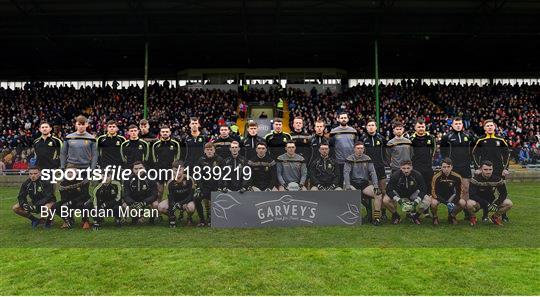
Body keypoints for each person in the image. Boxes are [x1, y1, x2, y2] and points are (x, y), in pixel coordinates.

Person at [471, 119, 511, 222]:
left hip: (498, 170)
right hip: (485, 170)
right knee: (486, 192)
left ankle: (503, 215)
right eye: (487, 125)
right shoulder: (480, 140)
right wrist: (477, 168)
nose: (489, 127)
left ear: (495, 127)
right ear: (484, 128)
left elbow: (507, 154)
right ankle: (485, 215)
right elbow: (474, 154)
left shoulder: (501, 140)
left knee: (501, 192)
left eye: (491, 125)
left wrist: (505, 168)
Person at [440, 117, 474, 213]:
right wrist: (447, 165)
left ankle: (467, 212)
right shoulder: (446, 137)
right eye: (456, 124)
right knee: (451, 191)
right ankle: (451, 212)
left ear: (462, 125)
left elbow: (472, 151)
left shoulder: (468, 136)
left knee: (466, 190)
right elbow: (443, 152)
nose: (458, 125)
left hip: (465, 167)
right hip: (453, 167)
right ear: (452, 125)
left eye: (460, 124)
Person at [343, 142, 383, 225]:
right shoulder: (349, 159)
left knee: (378, 194)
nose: (360, 150)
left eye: (361, 148)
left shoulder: (367, 158)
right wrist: (347, 186)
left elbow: (373, 172)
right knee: (352, 194)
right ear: (354, 149)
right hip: (353, 183)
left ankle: (376, 218)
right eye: (358, 148)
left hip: (365, 184)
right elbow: (346, 173)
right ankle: (355, 218)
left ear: (364, 149)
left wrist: (375, 186)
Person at [383, 160, 431, 225]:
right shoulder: (395, 175)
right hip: (399, 194)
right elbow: (389, 190)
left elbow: (423, 189)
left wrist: (416, 201)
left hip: (412, 193)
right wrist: (399, 200)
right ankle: (396, 216)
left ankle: (415, 217)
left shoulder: (417, 175)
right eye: (404, 168)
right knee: (385, 200)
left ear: (412, 167)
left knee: (428, 200)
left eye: (408, 168)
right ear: (400, 168)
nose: (406, 170)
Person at [466, 161, 513, 226]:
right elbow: (472, 195)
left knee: (509, 203)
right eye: (485, 169)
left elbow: (504, 193)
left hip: (492, 202)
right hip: (479, 202)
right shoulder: (475, 180)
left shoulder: (497, 180)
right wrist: (485, 203)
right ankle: (473, 217)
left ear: (492, 169)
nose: (488, 172)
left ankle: (495, 217)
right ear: (481, 169)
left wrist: (497, 203)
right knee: (469, 203)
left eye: (490, 169)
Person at [157, 160, 196, 228]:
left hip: (186, 201)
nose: (178, 172)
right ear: (172, 170)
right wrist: (172, 211)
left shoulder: (189, 179)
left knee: (191, 207)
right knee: (160, 207)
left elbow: (191, 196)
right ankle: (172, 217)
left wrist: (180, 203)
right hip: (175, 201)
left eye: (180, 170)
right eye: (175, 170)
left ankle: (189, 218)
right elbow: (170, 198)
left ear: (184, 169)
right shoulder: (170, 182)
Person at [194, 142, 224, 226]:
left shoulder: (219, 160)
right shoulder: (201, 160)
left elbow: (223, 175)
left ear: (214, 150)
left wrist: (220, 186)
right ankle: (202, 220)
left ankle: (212, 219)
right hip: (205, 187)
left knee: (215, 201)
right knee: (196, 198)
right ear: (204, 151)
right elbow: (198, 175)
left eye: (211, 150)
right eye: (207, 150)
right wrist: (199, 187)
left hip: (216, 187)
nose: (209, 151)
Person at [430, 158, 465, 225]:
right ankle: (435, 217)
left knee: (462, 202)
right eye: (444, 167)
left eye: (448, 167)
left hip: (451, 197)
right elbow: (433, 192)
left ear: (451, 167)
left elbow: (460, 191)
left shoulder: (457, 177)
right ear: (441, 167)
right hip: (439, 197)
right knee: (433, 203)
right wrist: (446, 203)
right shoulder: (436, 177)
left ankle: (452, 216)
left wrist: (454, 201)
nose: (446, 169)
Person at [152, 125, 181, 202]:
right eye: (163, 132)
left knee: (172, 191)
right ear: (160, 133)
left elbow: (177, 159)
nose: (165, 133)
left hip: (171, 170)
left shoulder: (175, 144)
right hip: (160, 170)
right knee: (159, 192)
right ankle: (158, 211)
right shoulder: (156, 144)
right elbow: (154, 159)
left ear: (170, 132)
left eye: (166, 132)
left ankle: (171, 209)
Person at [57, 164, 92, 229]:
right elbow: (63, 198)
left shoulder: (83, 180)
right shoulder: (63, 184)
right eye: (68, 172)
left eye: (72, 172)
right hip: (70, 200)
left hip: (83, 200)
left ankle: (85, 221)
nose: (70, 174)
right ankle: (68, 220)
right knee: (56, 206)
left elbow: (85, 195)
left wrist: (71, 202)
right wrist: (67, 203)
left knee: (82, 204)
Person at [329, 112, 357, 185]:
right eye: (341, 118)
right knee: (339, 182)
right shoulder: (334, 131)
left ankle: (352, 196)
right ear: (338, 119)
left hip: (351, 161)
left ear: (348, 119)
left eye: (345, 118)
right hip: (339, 162)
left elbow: (356, 146)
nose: (343, 119)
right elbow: (331, 147)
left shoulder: (353, 131)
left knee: (352, 183)